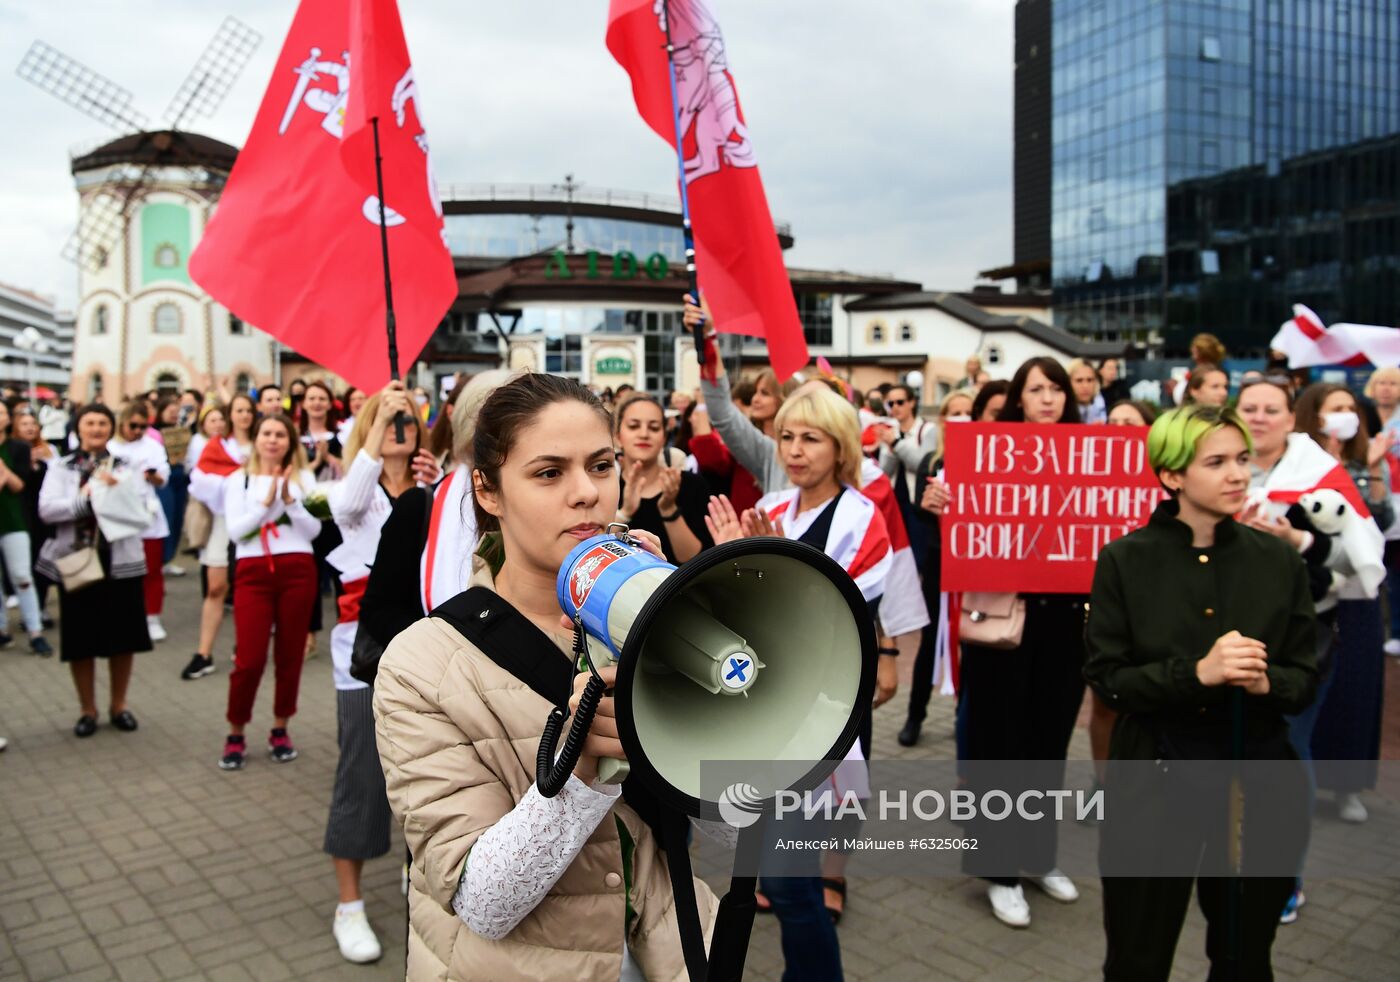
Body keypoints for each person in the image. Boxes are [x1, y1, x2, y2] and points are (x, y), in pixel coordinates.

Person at [373, 373, 719, 980]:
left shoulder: (655, 610)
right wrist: (579, 765)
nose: (586, 492)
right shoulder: (422, 664)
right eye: (549, 472)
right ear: (488, 491)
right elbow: (482, 902)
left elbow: (729, 812)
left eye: (601, 464)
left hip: (662, 948)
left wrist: (682, 634)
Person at [1086, 404, 1317, 981]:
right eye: (1215, 462)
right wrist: (1197, 673)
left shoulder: (1276, 561)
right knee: (1138, 955)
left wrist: (1268, 681)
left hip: (1257, 781)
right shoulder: (1125, 560)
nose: (1238, 474)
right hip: (1157, 779)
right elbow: (1108, 678)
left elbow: (1305, 676)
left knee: (1244, 957)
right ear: (1172, 475)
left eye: (1242, 459)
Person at [707, 382, 889, 965]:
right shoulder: (776, 509)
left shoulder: (866, 520)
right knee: (778, 876)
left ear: (840, 447)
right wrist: (732, 561)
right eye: (786, 436)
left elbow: (835, 621)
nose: (794, 449)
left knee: (788, 881)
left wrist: (772, 566)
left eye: (811, 437)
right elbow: (743, 622)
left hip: (825, 719)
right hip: (770, 715)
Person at [925, 356, 1086, 926]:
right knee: (999, 751)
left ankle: (1038, 858)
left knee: (1048, 750)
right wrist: (940, 508)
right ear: (1019, 397)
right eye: (1036, 389)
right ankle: (998, 869)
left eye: (1056, 389)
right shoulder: (983, 457)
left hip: (1065, 628)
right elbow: (960, 538)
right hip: (1000, 630)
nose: (1048, 398)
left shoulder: (1092, 458)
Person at [323, 383, 437, 964]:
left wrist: (437, 483)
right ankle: (349, 903)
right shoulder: (356, 493)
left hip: (424, 657)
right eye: (391, 422)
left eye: (409, 421)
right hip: (362, 658)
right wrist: (379, 420)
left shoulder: (430, 493)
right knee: (362, 779)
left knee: (426, 779)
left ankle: (417, 872)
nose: (402, 429)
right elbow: (343, 506)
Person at [357, 370, 516, 661]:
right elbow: (380, 609)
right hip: (435, 678)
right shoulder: (419, 506)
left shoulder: (548, 509)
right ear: (473, 437)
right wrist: (437, 655)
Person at [1290, 383, 1391, 827]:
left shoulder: (1362, 463)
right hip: (1314, 595)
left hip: (1357, 599)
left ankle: (1348, 787)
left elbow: (1382, 521)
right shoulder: (1299, 465)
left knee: (1355, 690)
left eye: (1352, 408)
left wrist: (1373, 472)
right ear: (1314, 415)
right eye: (1337, 409)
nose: (1347, 415)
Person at [37, 404, 152, 736]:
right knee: (80, 638)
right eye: (90, 422)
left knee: (123, 637)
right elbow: (46, 509)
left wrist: (116, 493)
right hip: (78, 558)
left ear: (111, 428)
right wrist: (85, 498)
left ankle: (120, 704)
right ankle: (87, 709)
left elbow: (143, 508)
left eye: (103, 423)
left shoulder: (126, 465)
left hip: (120, 559)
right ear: (78, 427)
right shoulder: (62, 466)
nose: (97, 428)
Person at [218, 414, 320, 770]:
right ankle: (236, 730)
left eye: (280, 434)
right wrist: (267, 505)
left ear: (290, 441)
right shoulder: (238, 480)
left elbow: (312, 532)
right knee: (249, 658)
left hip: (297, 569)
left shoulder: (304, 478)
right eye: (267, 433)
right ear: (256, 439)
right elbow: (236, 533)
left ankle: (280, 727)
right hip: (253, 572)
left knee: (290, 655)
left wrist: (290, 502)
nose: (273, 440)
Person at [899, 388, 974, 747]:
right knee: (930, 641)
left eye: (968, 412)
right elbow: (917, 509)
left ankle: (966, 716)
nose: (961, 418)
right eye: (953, 413)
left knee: (972, 641)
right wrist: (928, 505)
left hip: (973, 565)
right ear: (944, 421)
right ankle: (915, 715)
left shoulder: (986, 463)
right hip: (939, 559)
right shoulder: (931, 461)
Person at [686, 296, 797, 493]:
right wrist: (708, 338)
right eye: (756, 392)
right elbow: (723, 414)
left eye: (765, 393)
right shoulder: (768, 453)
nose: (797, 451)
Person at [183, 397, 254, 680]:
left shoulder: (263, 441)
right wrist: (236, 479)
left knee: (247, 589)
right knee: (216, 587)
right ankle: (204, 651)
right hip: (223, 521)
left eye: (249, 410)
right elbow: (199, 481)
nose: (245, 415)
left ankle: (243, 648)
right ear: (230, 415)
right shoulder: (219, 446)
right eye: (239, 410)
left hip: (254, 524)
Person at [614, 393, 711, 563]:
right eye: (634, 426)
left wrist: (669, 509)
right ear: (617, 436)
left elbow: (696, 560)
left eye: (654, 427)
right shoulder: (606, 489)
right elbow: (595, 550)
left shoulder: (691, 484)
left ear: (664, 437)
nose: (644, 434)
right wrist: (625, 513)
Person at [106, 402, 170, 643]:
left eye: (143, 426)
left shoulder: (152, 446)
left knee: (152, 569)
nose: (137, 431)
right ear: (122, 423)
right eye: (133, 425)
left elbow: (163, 477)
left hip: (147, 513)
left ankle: (152, 616)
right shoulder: (110, 446)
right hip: (120, 513)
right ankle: (123, 614)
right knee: (121, 569)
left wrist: (153, 476)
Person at [0, 402, 52, 654]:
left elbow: (19, 484)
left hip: (14, 520)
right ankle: (1, 630)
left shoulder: (18, 448)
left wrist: (3, 470)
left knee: (22, 575)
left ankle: (35, 630)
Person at [875, 383, 940, 571]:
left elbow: (922, 464)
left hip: (917, 506)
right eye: (890, 404)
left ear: (912, 403)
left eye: (900, 402)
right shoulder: (890, 430)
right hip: (895, 504)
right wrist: (889, 447)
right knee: (896, 558)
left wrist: (895, 444)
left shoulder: (927, 429)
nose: (895, 407)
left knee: (919, 559)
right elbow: (884, 472)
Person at [13, 408, 57, 626]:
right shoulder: (12, 452)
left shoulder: (49, 451)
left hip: (43, 517)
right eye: (24, 424)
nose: (30, 428)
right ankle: (27, 612)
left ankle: (40, 608)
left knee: (42, 562)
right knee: (23, 566)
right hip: (21, 515)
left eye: (33, 423)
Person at [154, 397, 192, 577]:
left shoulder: (182, 431)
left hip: (180, 477)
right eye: (169, 411)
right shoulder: (153, 433)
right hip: (164, 479)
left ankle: (168, 558)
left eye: (176, 412)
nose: (173, 414)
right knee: (165, 518)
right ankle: (159, 558)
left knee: (177, 519)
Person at [1067, 358, 1107, 424]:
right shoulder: (1060, 413)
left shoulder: (1104, 409)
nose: (1085, 386)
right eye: (1079, 380)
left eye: (1089, 380)